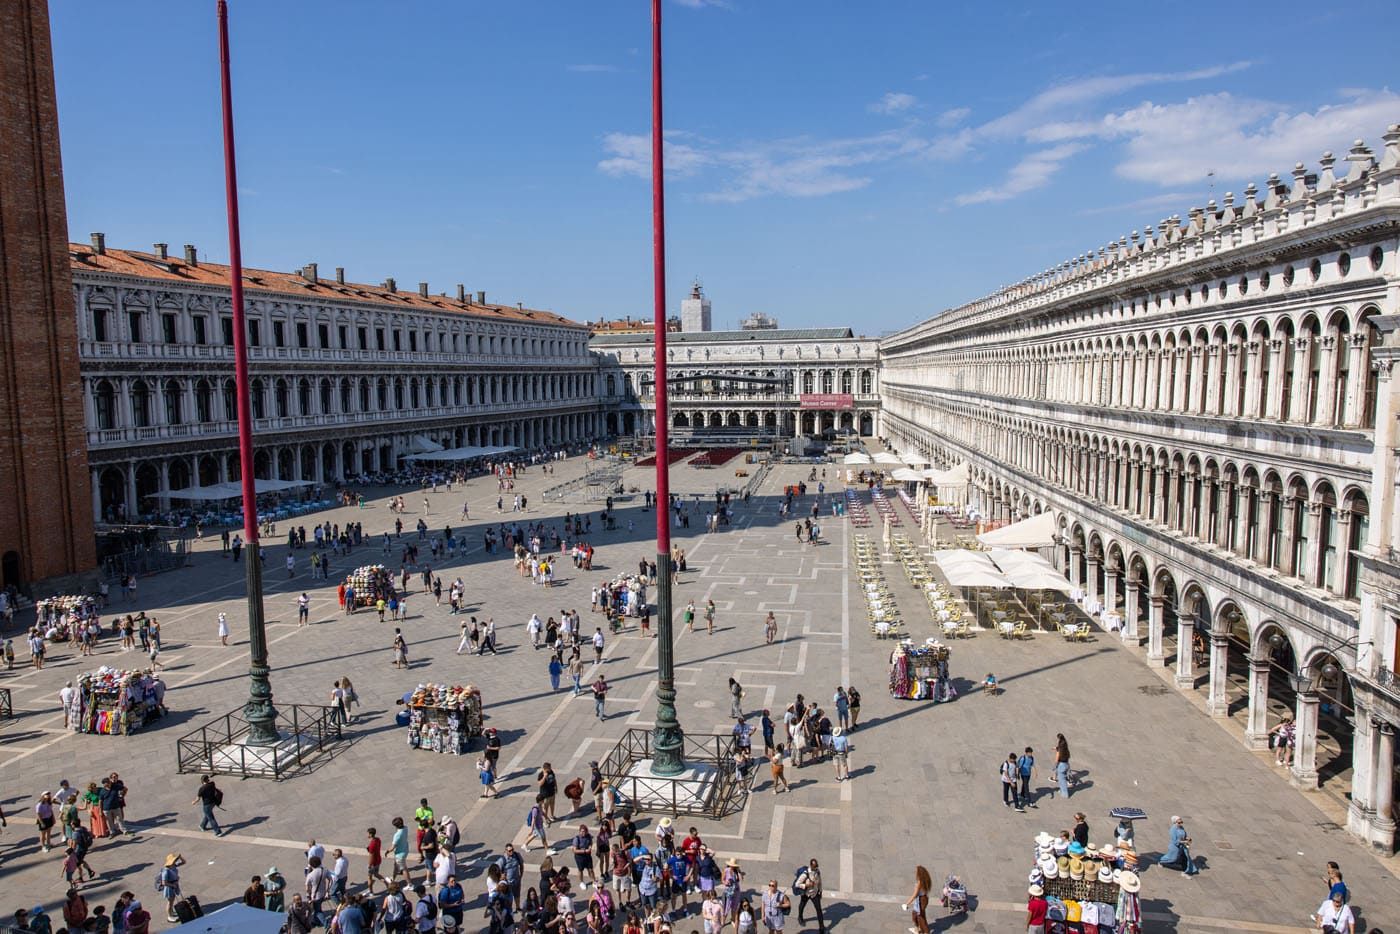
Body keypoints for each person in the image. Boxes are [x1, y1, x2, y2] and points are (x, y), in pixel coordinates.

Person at [796, 859, 825, 932]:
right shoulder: (805, 874)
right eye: (814, 866)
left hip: (814, 894)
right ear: (811, 866)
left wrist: (820, 891)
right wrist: (806, 885)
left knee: (819, 910)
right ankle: (800, 917)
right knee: (802, 905)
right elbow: (797, 884)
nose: (816, 868)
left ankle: (821, 927)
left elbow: (820, 882)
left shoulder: (817, 872)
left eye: (816, 866)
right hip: (806, 893)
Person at [902, 864, 932, 934]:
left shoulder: (919, 883)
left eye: (917, 872)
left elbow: (914, 895)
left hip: (921, 900)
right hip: (924, 899)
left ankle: (926, 932)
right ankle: (917, 928)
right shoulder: (925, 879)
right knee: (915, 914)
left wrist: (906, 904)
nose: (915, 873)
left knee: (921, 917)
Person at [158, 853, 185, 922]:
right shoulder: (166, 870)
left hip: (174, 885)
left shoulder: (173, 865)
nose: (175, 861)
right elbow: (164, 883)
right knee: (170, 902)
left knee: (172, 901)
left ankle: (171, 912)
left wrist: (180, 857)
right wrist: (173, 885)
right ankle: (169, 916)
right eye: (174, 860)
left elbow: (184, 862)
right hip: (169, 887)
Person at [1052, 733, 1072, 798]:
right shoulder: (1065, 747)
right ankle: (1061, 790)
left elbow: (1057, 758)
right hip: (1066, 764)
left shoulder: (1060, 750)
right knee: (1062, 779)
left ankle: (1065, 794)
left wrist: (1055, 765)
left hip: (1061, 765)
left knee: (1062, 780)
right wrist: (1056, 748)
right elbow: (1060, 748)